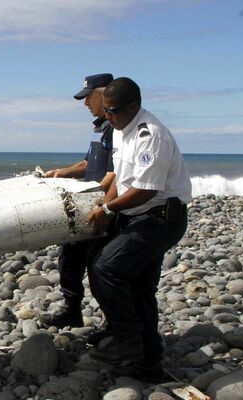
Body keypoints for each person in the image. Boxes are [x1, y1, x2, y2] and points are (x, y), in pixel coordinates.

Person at [87, 77, 191, 379]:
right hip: (138, 215)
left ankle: (127, 339)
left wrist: (107, 209)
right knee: (138, 285)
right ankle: (148, 361)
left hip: (161, 218)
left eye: (114, 111)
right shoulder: (121, 128)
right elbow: (121, 176)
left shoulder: (151, 135)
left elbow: (146, 189)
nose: (108, 117)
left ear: (134, 106)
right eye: (105, 111)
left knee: (107, 268)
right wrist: (107, 209)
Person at [39, 73, 115, 329]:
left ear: (105, 95)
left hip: (103, 206)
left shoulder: (117, 129)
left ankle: (112, 321)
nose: (85, 104)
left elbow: (116, 174)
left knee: (99, 267)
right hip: (87, 203)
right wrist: (60, 172)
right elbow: (87, 164)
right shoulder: (99, 128)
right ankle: (72, 309)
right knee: (69, 257)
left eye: (88, 98)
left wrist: (104, 206)